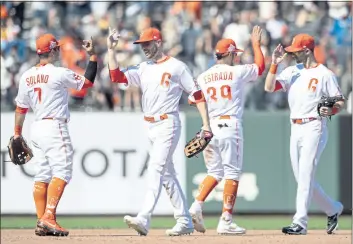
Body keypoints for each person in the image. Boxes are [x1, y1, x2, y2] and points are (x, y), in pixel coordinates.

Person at [107, 27, 212, 236]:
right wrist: (111, 50)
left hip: (168, 123)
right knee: (167, 175)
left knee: (155, 168)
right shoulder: (143, 67)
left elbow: (197, 94)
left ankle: (144, 218)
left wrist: (206, 125)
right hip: (150, 125)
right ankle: (184, 220)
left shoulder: (177, 67)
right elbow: (116, 77)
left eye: (147, 43)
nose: (144, 47)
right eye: (142, 44)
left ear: (158, 42)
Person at [14, 33, 98, 236]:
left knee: (42, 174)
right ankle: (49, 217)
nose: (59, 51)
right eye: (57, 48)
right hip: (54, 126)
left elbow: (21, 109)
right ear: (52, 50)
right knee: (63, 171)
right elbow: (86, 83)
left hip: (36, 127)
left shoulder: (26, 76)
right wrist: (93, 56)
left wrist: (17, 134)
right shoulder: (59, 72)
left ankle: (41, 221)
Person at [264, 33, 344, 235]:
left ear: (307, 51)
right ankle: (333, 209)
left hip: (314, 126)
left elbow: (339, 101)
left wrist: (332, 110)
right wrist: (274, 64)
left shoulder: (325, 74)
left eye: (296, 51)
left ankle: (300, 222)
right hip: (295, 126)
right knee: (302, 179)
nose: (292, 54)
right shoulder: (292, 71)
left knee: (306, 174)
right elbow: (269, 87)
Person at [188, 26, 265, 235]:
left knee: (215, 172)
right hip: (230, 125)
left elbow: (192, 99)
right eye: (235, 54)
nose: (237, 58)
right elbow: (260, 67)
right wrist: (256, 45)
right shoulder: (236, 71)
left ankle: (195, 206)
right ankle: (226, 220)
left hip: (209, 127)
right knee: (232, 172)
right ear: (230, 54)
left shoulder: (203, 77)